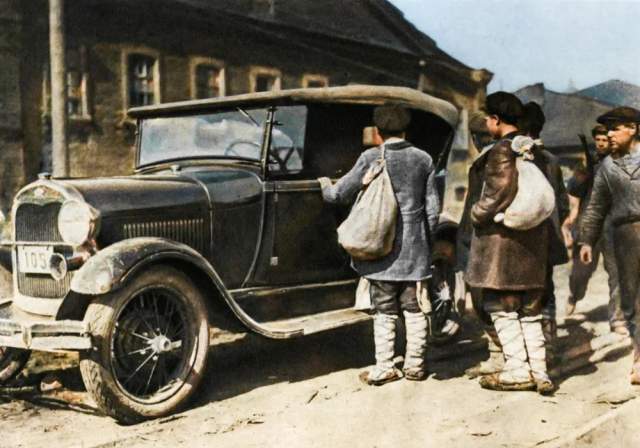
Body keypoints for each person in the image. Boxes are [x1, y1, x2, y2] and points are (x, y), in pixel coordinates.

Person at [318, 105, 439, 385]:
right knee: (414, 308)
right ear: (406, 129)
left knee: (383, 309)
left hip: (379, 249)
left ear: (378, 132)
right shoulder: (423, 159)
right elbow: (432, 211)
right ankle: (415, 366)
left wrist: (324, 183)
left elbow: (337, 195)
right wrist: (425, 246)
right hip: (414, 250)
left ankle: (384, 366)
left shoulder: (371, 157)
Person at [465, 92, 553, 394]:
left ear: (496, 120)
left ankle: (516, 369)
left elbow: (498, 192)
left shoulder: (501, 150)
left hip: (504, 245)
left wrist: (477, 214)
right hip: (531, 243)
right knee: (529, 308)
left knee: (501, 305)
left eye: (488, 118)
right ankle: (540, 371)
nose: (487, 123)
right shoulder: (530, 148)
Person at [579, 106, 640, 384]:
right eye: (608, 129)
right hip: (624, 236)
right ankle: (639, 357)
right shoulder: (607, 167)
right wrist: (587, 239)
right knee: (631, 299)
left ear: (633, 129)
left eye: (616, 128)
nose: (610, 134)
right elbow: (596, 206)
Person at [563, 125, 626, 335]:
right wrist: (573, 216)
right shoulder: (586, 166)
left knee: (616, 273)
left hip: (613, 227)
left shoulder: (620, 164)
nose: (601, 143)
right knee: (581, 273)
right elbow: (574, 192)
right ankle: (574, 295)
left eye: (604, 140)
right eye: (597, 140)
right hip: (588, 226)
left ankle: (617, 319)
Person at [519, 102, 570, 349]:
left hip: (522, 234)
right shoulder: (552, 160)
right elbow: (562, 203)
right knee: (545, 285)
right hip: (548, 234)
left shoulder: (516, 155)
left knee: (521, 289)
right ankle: (549, 340)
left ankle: (529, 344)